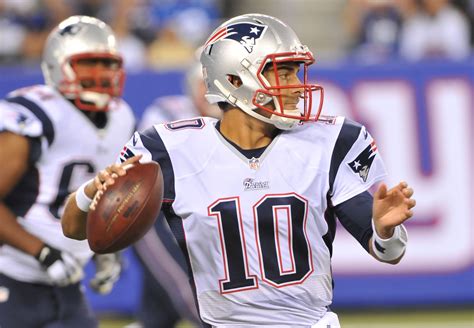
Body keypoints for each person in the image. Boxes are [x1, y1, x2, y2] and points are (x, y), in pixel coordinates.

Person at [61, 13, 416, 327]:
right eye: (282, 72)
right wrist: (90, 194)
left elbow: (389, 252)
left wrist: (385, 231)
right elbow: (77, 229)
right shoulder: (170, 149)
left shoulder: (331, 140)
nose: (295, 86)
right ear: (233, 81)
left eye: (295, 71)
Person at [0, 15, 135, 327]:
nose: (101, 74)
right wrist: (42, 252)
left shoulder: (121, 117)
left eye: (108, 64)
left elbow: (99, 196)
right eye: (90, 63)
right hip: (11, 273)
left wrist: (104, 250)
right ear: (58, 65)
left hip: (65, 281)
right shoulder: (38, 115)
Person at [133, 61, 220, 328]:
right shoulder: (169, 112)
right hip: (153, 217)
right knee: (196, 300)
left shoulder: (234, 120)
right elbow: (151, 169)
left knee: (157, 317)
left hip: (190, 223)